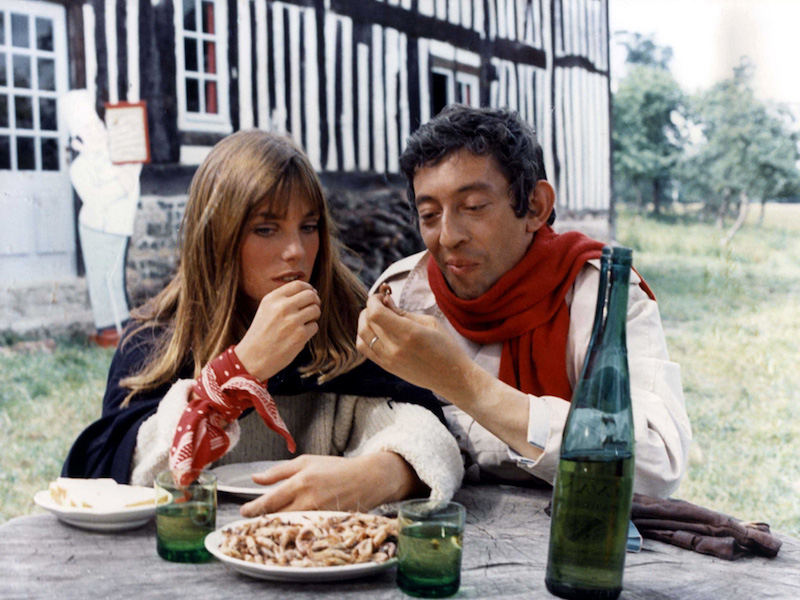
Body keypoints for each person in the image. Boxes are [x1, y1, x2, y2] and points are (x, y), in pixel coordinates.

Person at [62, 130, 463, 515]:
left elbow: (425, 433)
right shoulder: (154, 341)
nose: (296, 251)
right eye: (266, 229)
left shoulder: (346, 326)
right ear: (218, 237)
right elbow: (116, 478)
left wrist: (385, 473)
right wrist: (238, 373)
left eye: (308, 227)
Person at [357, 105, 692, 498]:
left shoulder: (601, 297)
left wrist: (463, 383)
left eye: (474, 207)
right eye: (429, 214)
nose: (447, 237)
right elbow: (366, 431)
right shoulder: (401, 296)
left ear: (535, 207)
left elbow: (658, 466)